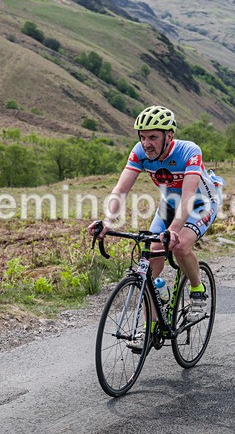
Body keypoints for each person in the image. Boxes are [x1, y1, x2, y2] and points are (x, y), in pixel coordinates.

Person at [88, 105, 222, 326]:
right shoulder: (140, 152)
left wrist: (173, 230)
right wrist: (108, 221)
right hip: (169, 205)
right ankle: (149, 328)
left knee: (180, 246)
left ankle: (197, 290)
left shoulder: (189, 151)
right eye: (142, 137)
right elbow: (121, 189)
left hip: (200, 204)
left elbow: (188, 197)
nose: (146, 143)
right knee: (149, 265)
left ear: (169, 136)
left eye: (152, 137)